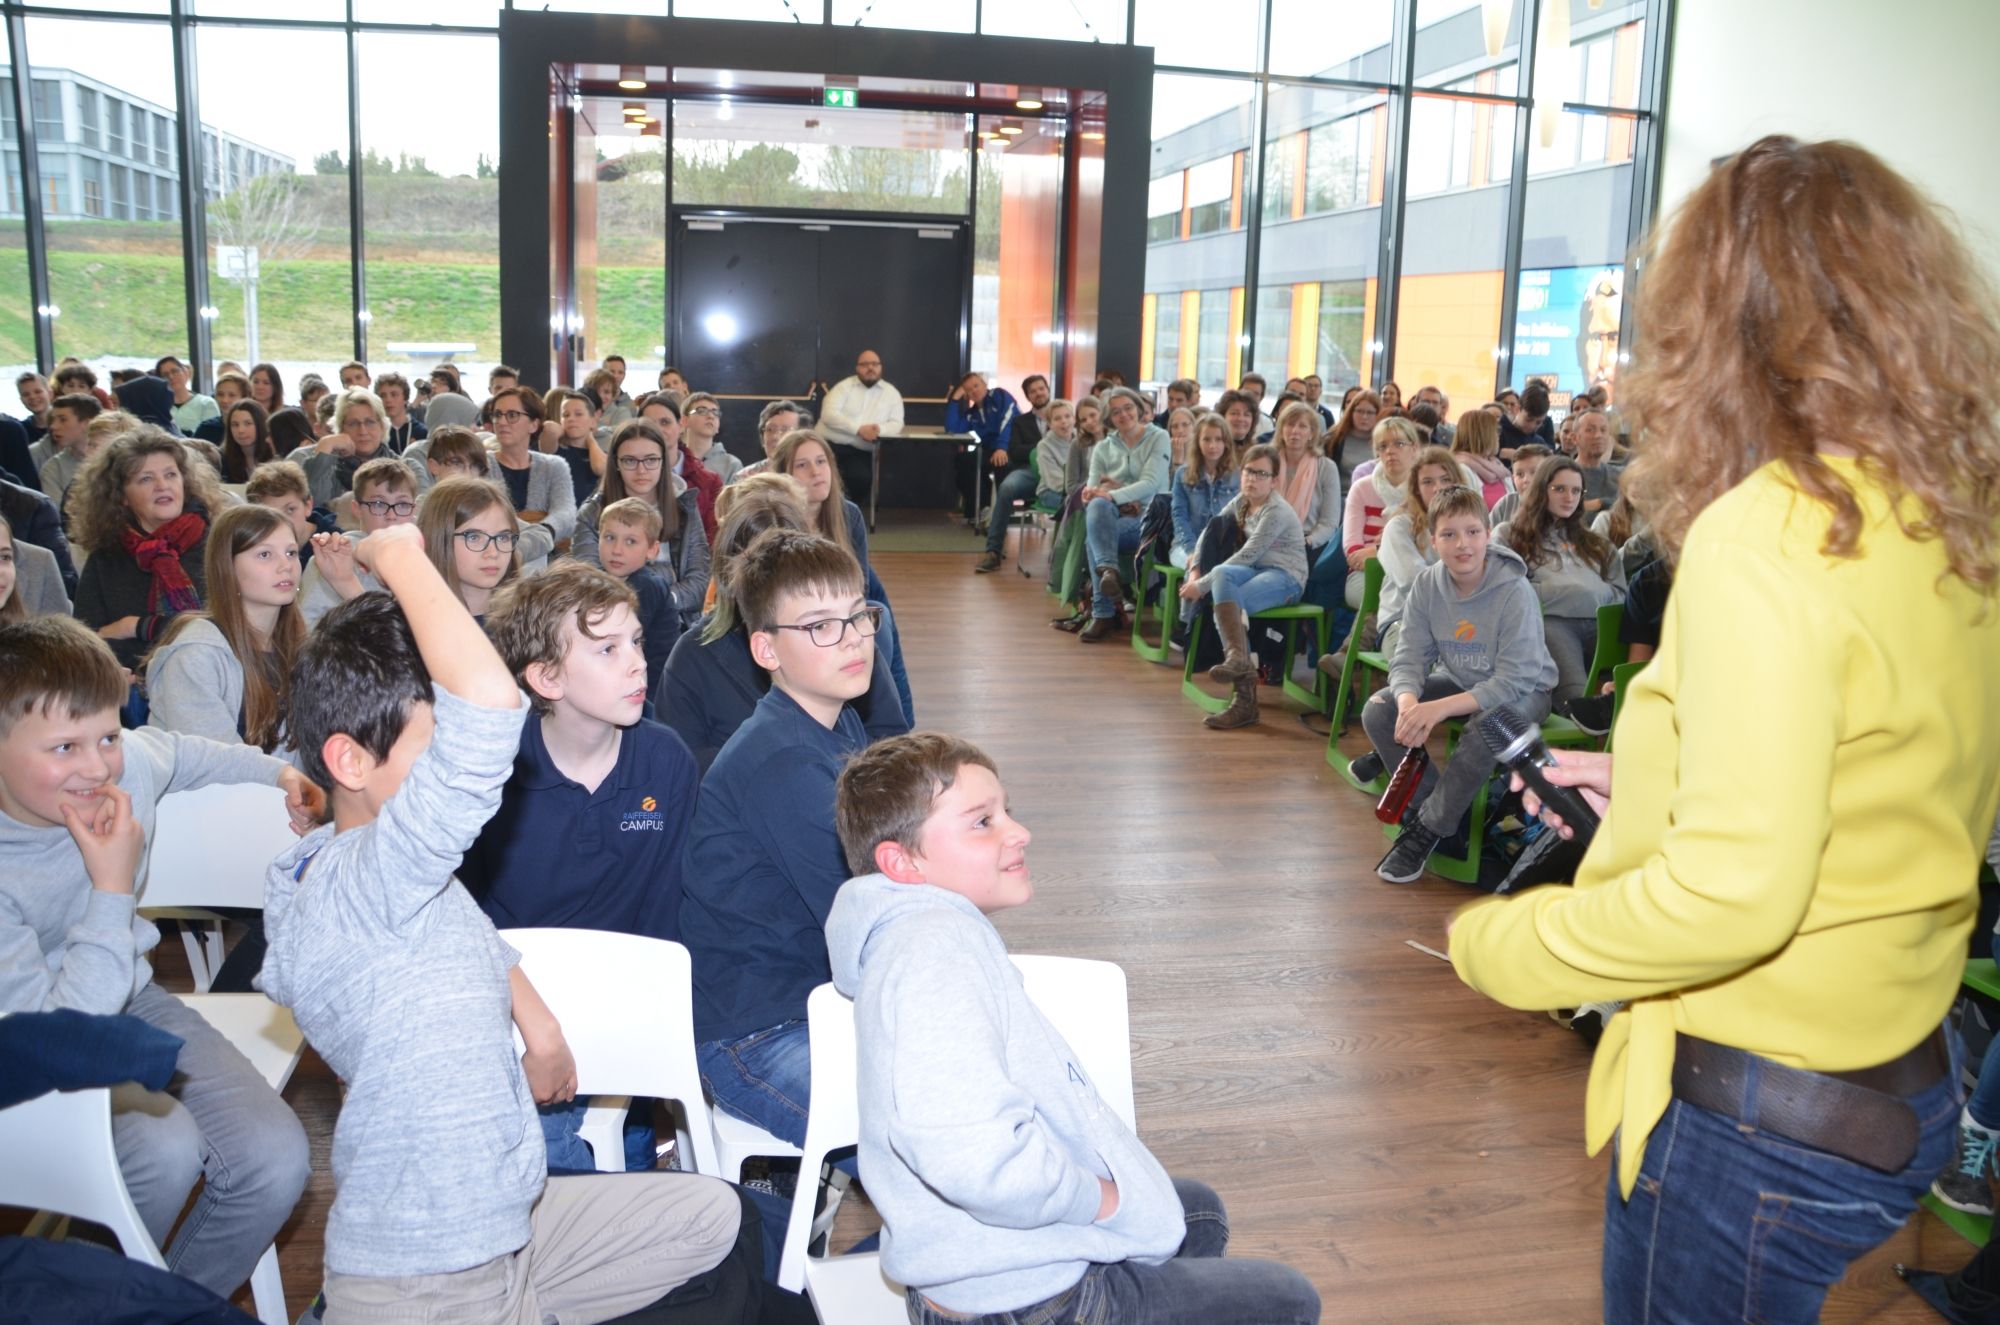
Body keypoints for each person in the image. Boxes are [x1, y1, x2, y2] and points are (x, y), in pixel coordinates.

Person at [1449, 136, 2000, 1324]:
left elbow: (1732, 898)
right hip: (1898, 1068)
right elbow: (1883, 768)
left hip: (1759, 1119)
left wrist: (1505, 940)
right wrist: (1657, 779)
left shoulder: (1770, 530)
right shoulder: (1948, 518)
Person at [261, 527, 760, 1323]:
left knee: (726, 1225)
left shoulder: (391, 875)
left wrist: (541, 1022)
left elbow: (471, 929)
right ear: (351, 762)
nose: (467, 777)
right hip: (430, 1275)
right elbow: (492, 709)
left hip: (517, 1225)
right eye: (438, 748)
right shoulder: (365, 880)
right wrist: (396, 552)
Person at [825, 732, 1323, 1325]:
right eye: (982, 822)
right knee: (1291, 1301)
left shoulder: (919, 933)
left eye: (1007, 811)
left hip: (985, 1260)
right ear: (902, 863)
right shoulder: (934, 953)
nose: (1019, 832)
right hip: (1024, 1301)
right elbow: (971, 1157)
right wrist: (1098, 1199)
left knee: (1197, 1212)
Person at [0, 613, 317, 1303]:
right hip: (24, 1051)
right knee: (163, 1154)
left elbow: (185, 752)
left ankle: (143, 1306)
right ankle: (81, 1299)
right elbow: (60, 1041)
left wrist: (281, 772)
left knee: (275, 1160)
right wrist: (112, 889)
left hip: (126, 997)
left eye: (107, 735)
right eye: (64, 746)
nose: (96, 767)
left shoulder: (125, 764)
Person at [458, 560, 696, 1173]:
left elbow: (665, 911)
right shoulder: (494, 772)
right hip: (516, 1006)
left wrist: (646, 1026)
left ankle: (630, 1161)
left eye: (636, 641)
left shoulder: (665, 760)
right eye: (608, 649)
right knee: (553, 1151)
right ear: (546, 677)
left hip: (625, 998)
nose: (638, 663)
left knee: (620, 1151)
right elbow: (462, 918)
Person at [680, 528, 883, 1151]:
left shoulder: (837, 721)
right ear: (766, 649)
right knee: (918, 1135)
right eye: (821, 626)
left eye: (859, 615)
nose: (852, 638)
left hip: (813, 1004)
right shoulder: (784, 761)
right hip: (756, 1033)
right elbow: (867, 918)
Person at [1359, 484, 1555, 881]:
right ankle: (1441, 815)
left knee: (1487, 726)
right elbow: (1409, 657)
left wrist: (1437, 709)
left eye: (1472, 532)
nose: (1462, 544)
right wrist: (1409, 703)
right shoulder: (1427, 585)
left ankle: (1428, 829)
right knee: (1379, 711)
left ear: (1488, 534)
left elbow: (1513, 680)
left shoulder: (1513, 589)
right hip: (1463, 681)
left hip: (1527, 691)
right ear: (1433, 541)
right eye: (1449, 534)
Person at [654, 475, 908, 773]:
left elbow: (890, 739)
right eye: (758, 565)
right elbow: (679, 763)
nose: (773, 576)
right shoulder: (693, 656)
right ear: (728, 571)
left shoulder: (846, 639)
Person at [143, 503, 304, 755]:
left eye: (291, 553)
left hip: (281, 781)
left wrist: (344, 582)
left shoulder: (300, 644)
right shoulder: (195, 655)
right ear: (228, 568)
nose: (286, 566)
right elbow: (214, 761)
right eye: (265, 554)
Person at [69, 430, 225, 669]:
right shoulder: (106, 556)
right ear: (122, 496)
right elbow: (88, 641)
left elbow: (227, 626)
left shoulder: (219, 543)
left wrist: (135, 626)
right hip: (128, 683)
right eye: (146, 479)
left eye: (171, 474)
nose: (162, 486)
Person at [1177, 443, 1306, 731]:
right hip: (1255, 571)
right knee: (1222, 574)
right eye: (1248, 471)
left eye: (1261, 474)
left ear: (1274, 481)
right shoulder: (1242, 501)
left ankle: (1243, 698)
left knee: (1227, 597)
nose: (1252, 479)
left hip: (1286, 576)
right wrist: (1195, 570)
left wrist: (1201, 587)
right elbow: (1209, 530)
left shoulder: (1276, 511)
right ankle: (1239, 662)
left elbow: (1248, 554)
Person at [1495, 456, 1623, 707]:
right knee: (1576, 701)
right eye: (1560, 489)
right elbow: (1507, 592)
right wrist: (1585, 593)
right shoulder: (1509, 535)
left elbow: (1620, 593)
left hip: (1601, 624)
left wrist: (1576, 594)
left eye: (1576, 491)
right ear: (1541, 490)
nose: (1569, 498)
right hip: (1552, 623)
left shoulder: (1597, 543)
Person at [573, 419, 709, 624]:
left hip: (675, 620)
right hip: (610, 621)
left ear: (663, 462)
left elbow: (699, 582)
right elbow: (588, 580)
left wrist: (660, 600)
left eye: (651, 460)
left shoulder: (684, 508)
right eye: (630, 461)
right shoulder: (592, 512)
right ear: (616, 463)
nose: (641, 470)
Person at [1076, 387, 1170, 643]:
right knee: (1097, 506)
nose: (1124, 414)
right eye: (1116, 411)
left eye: (1128, 407)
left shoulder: (1159, 437)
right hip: (1114, 515)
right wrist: (1109, 497)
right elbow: (1092, 492)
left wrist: (1114, 494)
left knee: (1094, 540)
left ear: (1138, 408)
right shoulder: (1102, 448)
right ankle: (1109, 572)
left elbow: (1150, 483)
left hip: (1152, 518)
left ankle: (1103, 613)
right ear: (1109, 418)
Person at [298, 457, 421, 625]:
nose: (391, 515)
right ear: (357, 509)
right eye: (378, 504)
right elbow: (306, 628)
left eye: (402, 504)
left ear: (413, 510)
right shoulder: (332, 557)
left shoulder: (421, 562)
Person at [1371, 444, 1460, 663]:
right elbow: (1415, 583)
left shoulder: (1469, 527)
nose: (1438, 488)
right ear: (1416, 489)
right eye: (1427, 482)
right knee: (1424, 665)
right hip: (1404, 622)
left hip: (1459, 620)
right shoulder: (1399, 527)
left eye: (1445, 479)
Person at [977, 397, 1074, 574]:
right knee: (1006, 488)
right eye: (1058, 418)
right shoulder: (1021, 421)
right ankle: (993, 551)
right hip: (1030, 471)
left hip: (1065, 483)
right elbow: (1015, 451)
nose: (1064, 421)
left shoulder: (1081, 439)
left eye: (1067, 417)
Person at [591, 498, 679, 692]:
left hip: (652, 687)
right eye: (609, 537)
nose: (617, 550)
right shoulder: (597, 582)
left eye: (630, 541)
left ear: (652, 550)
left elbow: (616, 638)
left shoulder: (647, 585)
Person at [417, 476, 525, 624]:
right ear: (440, 539)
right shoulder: (410, 623)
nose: (493, 553)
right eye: (474, 537)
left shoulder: (529, 618)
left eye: (502, 537)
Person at [488, 386, 578, 545]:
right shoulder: (479, 464)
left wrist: (540, 533)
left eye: (512, 415)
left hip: (546, 556)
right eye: (497, 415)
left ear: (534, 425)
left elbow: (566, 514)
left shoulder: (554, 466)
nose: (501, 422)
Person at [819, 350, 904, 508]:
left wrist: (879, 429)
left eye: (875, 364)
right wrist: (859, 429)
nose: (870, 368)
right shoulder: (843, 387)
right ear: (857, 368)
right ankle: (826, 512)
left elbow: (897, 423)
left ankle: (844, 513)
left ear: (880, 367)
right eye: (865, 364)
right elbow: (828, 415)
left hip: (861, 451)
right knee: (819, 477)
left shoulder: (892, 393)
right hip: (828, 446)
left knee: (860, 479)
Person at [637, 391, 721, 543]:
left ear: (681, 425)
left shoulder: (709, 481)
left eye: (665, 422)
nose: (658, 429)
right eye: (649, 424)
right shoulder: (628, 476)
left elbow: (713, 539)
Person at [292, 387, 394, 504]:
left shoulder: (404, 466)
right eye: (353, 424)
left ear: (382, 426)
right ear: (340, 428)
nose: (362, 431)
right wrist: (325, 446)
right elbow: (312, 506)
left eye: (370, 422)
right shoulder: (304, 457)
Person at [1269, 400, 1342, 561]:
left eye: (1302, 426)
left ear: (1312, 434)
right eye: (1290, 425)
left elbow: (1329, 523)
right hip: (1266, 538)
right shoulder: (1267, 462)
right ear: (1281, 430)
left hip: (1307, 543)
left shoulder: (1326, 467)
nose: (1295, 431)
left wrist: (1306, 543)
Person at [945, 372, 1020, 524]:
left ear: (985, 385)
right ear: (967, 395)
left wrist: (1001, 447)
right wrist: (954, 399)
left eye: (976, 386)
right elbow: (952, 429)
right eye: (969, 390)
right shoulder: (972, 414)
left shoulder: (999, 395)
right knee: (963, 461)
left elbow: (1007, 421)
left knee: (1001, 464)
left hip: (1010, 446)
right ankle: (982, 509)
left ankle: (1002, 512)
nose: (974, 391)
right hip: (989, 450)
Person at [1169, 412, 1240, 571]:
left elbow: (1241, 517)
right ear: (1198, 442)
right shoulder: (1182, 474)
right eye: (1206, 439)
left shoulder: (1237, 475)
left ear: (1226, 442)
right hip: (1185, 545)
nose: (1212, 446)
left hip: (1224, 547)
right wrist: (1192, 550)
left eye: (1218, 439)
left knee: (1223, 568)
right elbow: (1179, 516)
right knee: (1199, 564)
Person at [244, 460, 338, 569]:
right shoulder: (253, 549)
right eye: (271, 515)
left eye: (290, 510)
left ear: (308, 506)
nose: (283, 521)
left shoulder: (336, 545)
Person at [38, 392, 106, 502]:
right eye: (53, 420)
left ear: (88, 423)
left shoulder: (117, 458)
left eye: (63, 420)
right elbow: (60, 511)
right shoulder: (53, 469)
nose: (53, 426)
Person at [547, 387, 605, 506]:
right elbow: (549, 429)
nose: (571, 419)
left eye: (578, 414)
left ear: (593, 420)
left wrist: (590, 439)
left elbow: (600, 468)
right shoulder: (555, 449)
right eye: (565, 415)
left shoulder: (598, 454)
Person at [1450, 409, 1509, 510]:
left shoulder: (1496, 464)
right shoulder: (1462, 469)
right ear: (1482, 434)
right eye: (1495, 430)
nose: (1499, 435)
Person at [736, 399, 805, 485]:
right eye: (770, 429)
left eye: (785, 430)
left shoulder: (812, 474)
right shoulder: (745, 479)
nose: (775, 436)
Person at [677, 391, 739, 486]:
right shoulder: (674, 459)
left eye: (715, 412)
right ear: (684, 421)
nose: (711, 416)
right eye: (702, 411)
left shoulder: (732, 464)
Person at [1326, 389, 1382, 490]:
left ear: (1378, 414)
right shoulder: (1333, 439)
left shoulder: (1384, 442)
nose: (1364, 416)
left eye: (1370, 412)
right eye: (1360, 411)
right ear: (1351, 413)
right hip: (1340, 495)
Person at [1570, 407, 1622, 514]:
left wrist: (1600, 503)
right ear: (1575, 438)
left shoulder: (1619, 476)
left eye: (1603, 430)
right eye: (1590, 430)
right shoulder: (1564, 475)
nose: (1598, 436)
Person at [1486, 442, 1551, 528]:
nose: (1526, 480)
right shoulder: (1507, 503)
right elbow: (1487, 530)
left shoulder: (1556, 506)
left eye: (1534, 472)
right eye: (1520, 474)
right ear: (1513, 479)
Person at [156, 357, 218, 437]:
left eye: (174, 371)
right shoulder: (158, 407)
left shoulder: (206, 403)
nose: (171, 377)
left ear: (185, 372)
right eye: (165, 375)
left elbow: (212, 435)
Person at [219, 399, 275, 485]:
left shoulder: (274, 455)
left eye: (248, 423)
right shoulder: (222, 458)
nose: (240, 430)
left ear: (260, 425)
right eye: (235, 425)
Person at [1497, 380, 1556, 460]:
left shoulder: (1539, 443)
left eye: (1538, 422)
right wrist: (1499, 453)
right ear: (1517, 409)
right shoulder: (1498, 433)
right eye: (1528, 420)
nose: (1532, 426)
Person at [373, 372, 427, 455]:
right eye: (383, 396)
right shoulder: (374, 433)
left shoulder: (421, 432)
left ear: (405, 398)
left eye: (394, 394)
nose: (388, 400)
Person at [1215, 389, 1259, 454]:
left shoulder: (1257, 452)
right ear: (1222, 416)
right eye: (1234, 413)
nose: (1240, 419)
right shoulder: (1213, 449)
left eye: (1246, 414)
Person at [17, 371, 52, 449]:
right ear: (21, 400)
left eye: (38, 392)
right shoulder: (21, 430)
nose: (32, 397)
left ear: (50, 394)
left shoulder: (66, 424)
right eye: (26, 394)